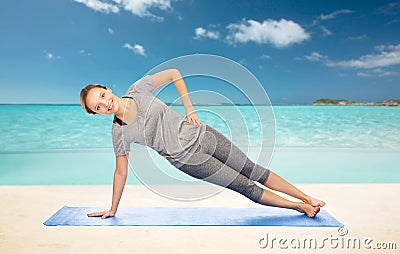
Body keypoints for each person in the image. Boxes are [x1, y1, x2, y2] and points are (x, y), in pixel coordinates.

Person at [79, 69, 325, 219]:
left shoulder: (138, 89)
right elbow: (121, 171)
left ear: (107, 89)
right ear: (98, 114)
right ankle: (299, 207)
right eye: (97, 107)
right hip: (189, 161)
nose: (104, 104)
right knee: (245, 186)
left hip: (204, 135)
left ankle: (308, 198)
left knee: (253, 169)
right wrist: (113, 208)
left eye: (102, 96)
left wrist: (189, 108)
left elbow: (174, 73)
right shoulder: (118, 132)